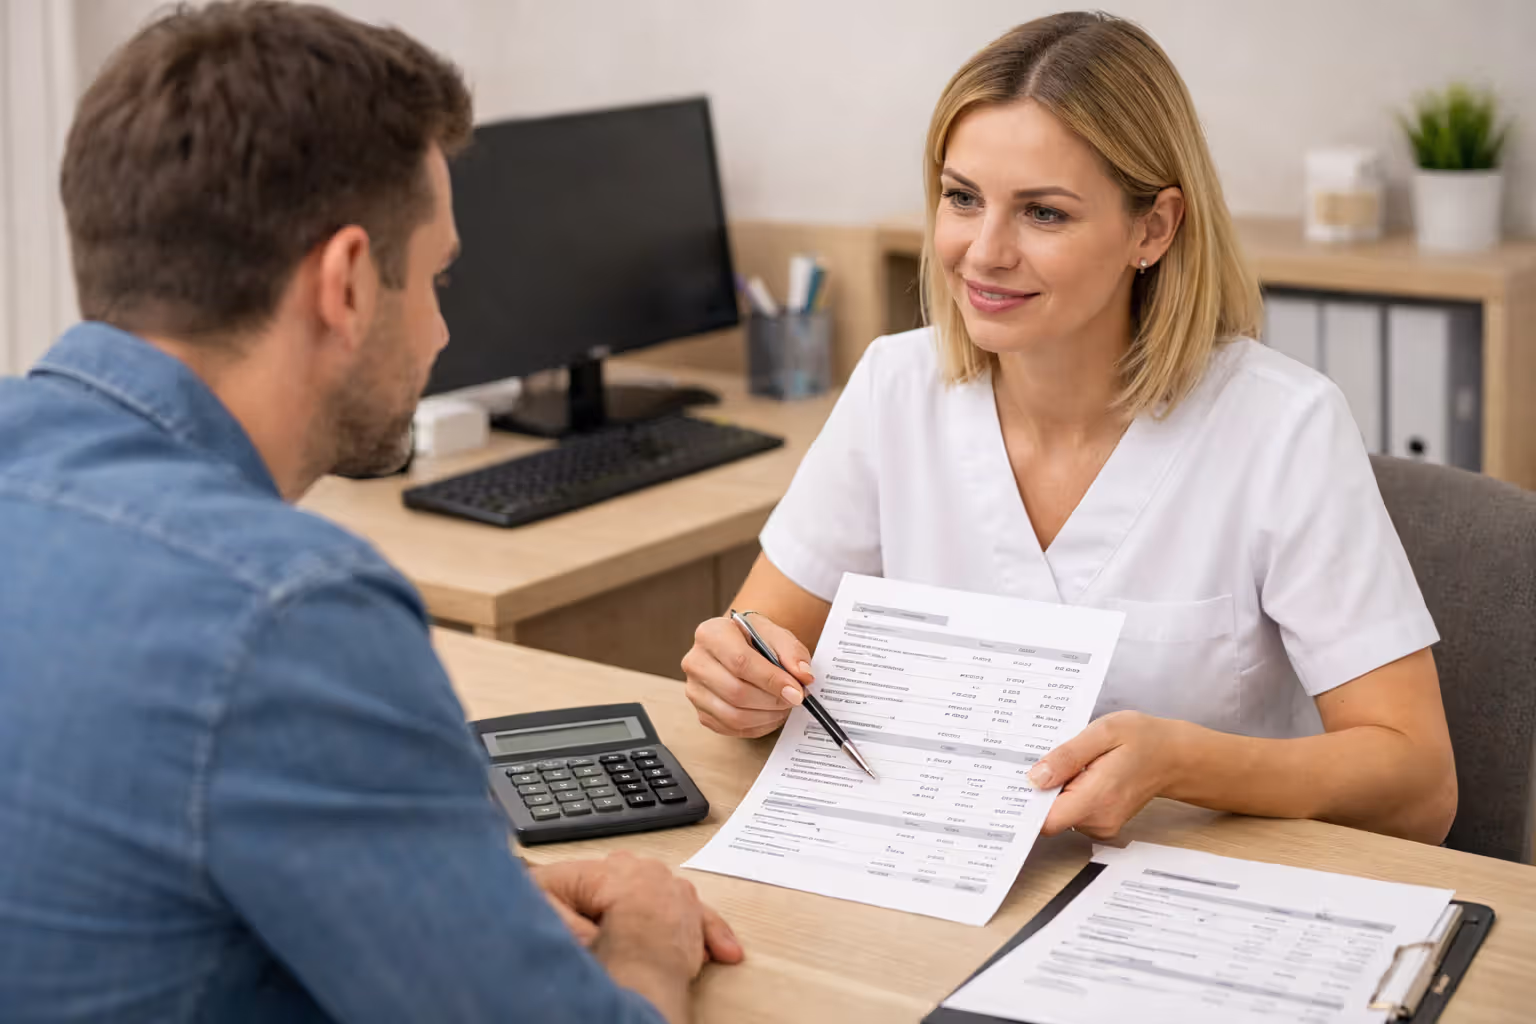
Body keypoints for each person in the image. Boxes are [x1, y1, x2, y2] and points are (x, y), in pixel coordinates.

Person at [0, 3, 739, 1022]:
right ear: (346, 282)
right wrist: (649, 936)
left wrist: (464, 888)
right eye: (438, 276)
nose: (442, 330)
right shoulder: (290, 614)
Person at [683, 12, 1457, 846]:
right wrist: (740, 680)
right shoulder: (893, 388)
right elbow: (762, 642)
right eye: (962, 198)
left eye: (1043, 214)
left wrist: (1183, 763)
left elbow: (1420, 786)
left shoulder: (1282, 426)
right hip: (932, 866)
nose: (984, 252)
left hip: (1197, 885)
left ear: (1153, 228)